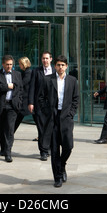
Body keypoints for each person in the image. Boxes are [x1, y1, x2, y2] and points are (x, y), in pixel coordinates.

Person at [38, 55, 79, 188]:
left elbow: (76, 99)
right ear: (54, 66)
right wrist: (47, 112)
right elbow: (41, 98)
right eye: (58, 65)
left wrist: (71, 113)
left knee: (68, 146)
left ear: (66, 66)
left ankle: (62, 165)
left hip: (66, 118)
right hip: (53, 118)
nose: (60, 67)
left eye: (63, 65)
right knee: (54, 149)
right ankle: (58, 177)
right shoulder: (47, 80)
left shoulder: (73, 80)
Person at [0, 55, 23, 162]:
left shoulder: (17, 74)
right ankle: (3, 148)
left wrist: (19, 101)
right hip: (0, 105)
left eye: (11, 65)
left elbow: (20, 89)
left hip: (12, 106)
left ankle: (8, 153)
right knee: (0, 129)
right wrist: (7, 86)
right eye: (7, 64)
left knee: (9, 129)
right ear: (3, 64)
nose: (9, 67)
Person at [28, 51, 55, 160]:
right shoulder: (36, 71)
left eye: (47, 58)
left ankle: (49, 148)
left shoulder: (55, 71)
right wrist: (30, 102)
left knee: (51, 128)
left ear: (51, 59)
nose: (45, 60)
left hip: (52, 105)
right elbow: (32, 88)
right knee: (41, 128)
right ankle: (43, 152)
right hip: (39, 104)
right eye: (43, 58)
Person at [14, 57, 32, 132]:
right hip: (24, 98)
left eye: (20, 64)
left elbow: (22, 83)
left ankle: (11, 132)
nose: (19, 65)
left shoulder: (28, 73)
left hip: (26, 98)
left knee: (19, 116)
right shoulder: (24, 72)